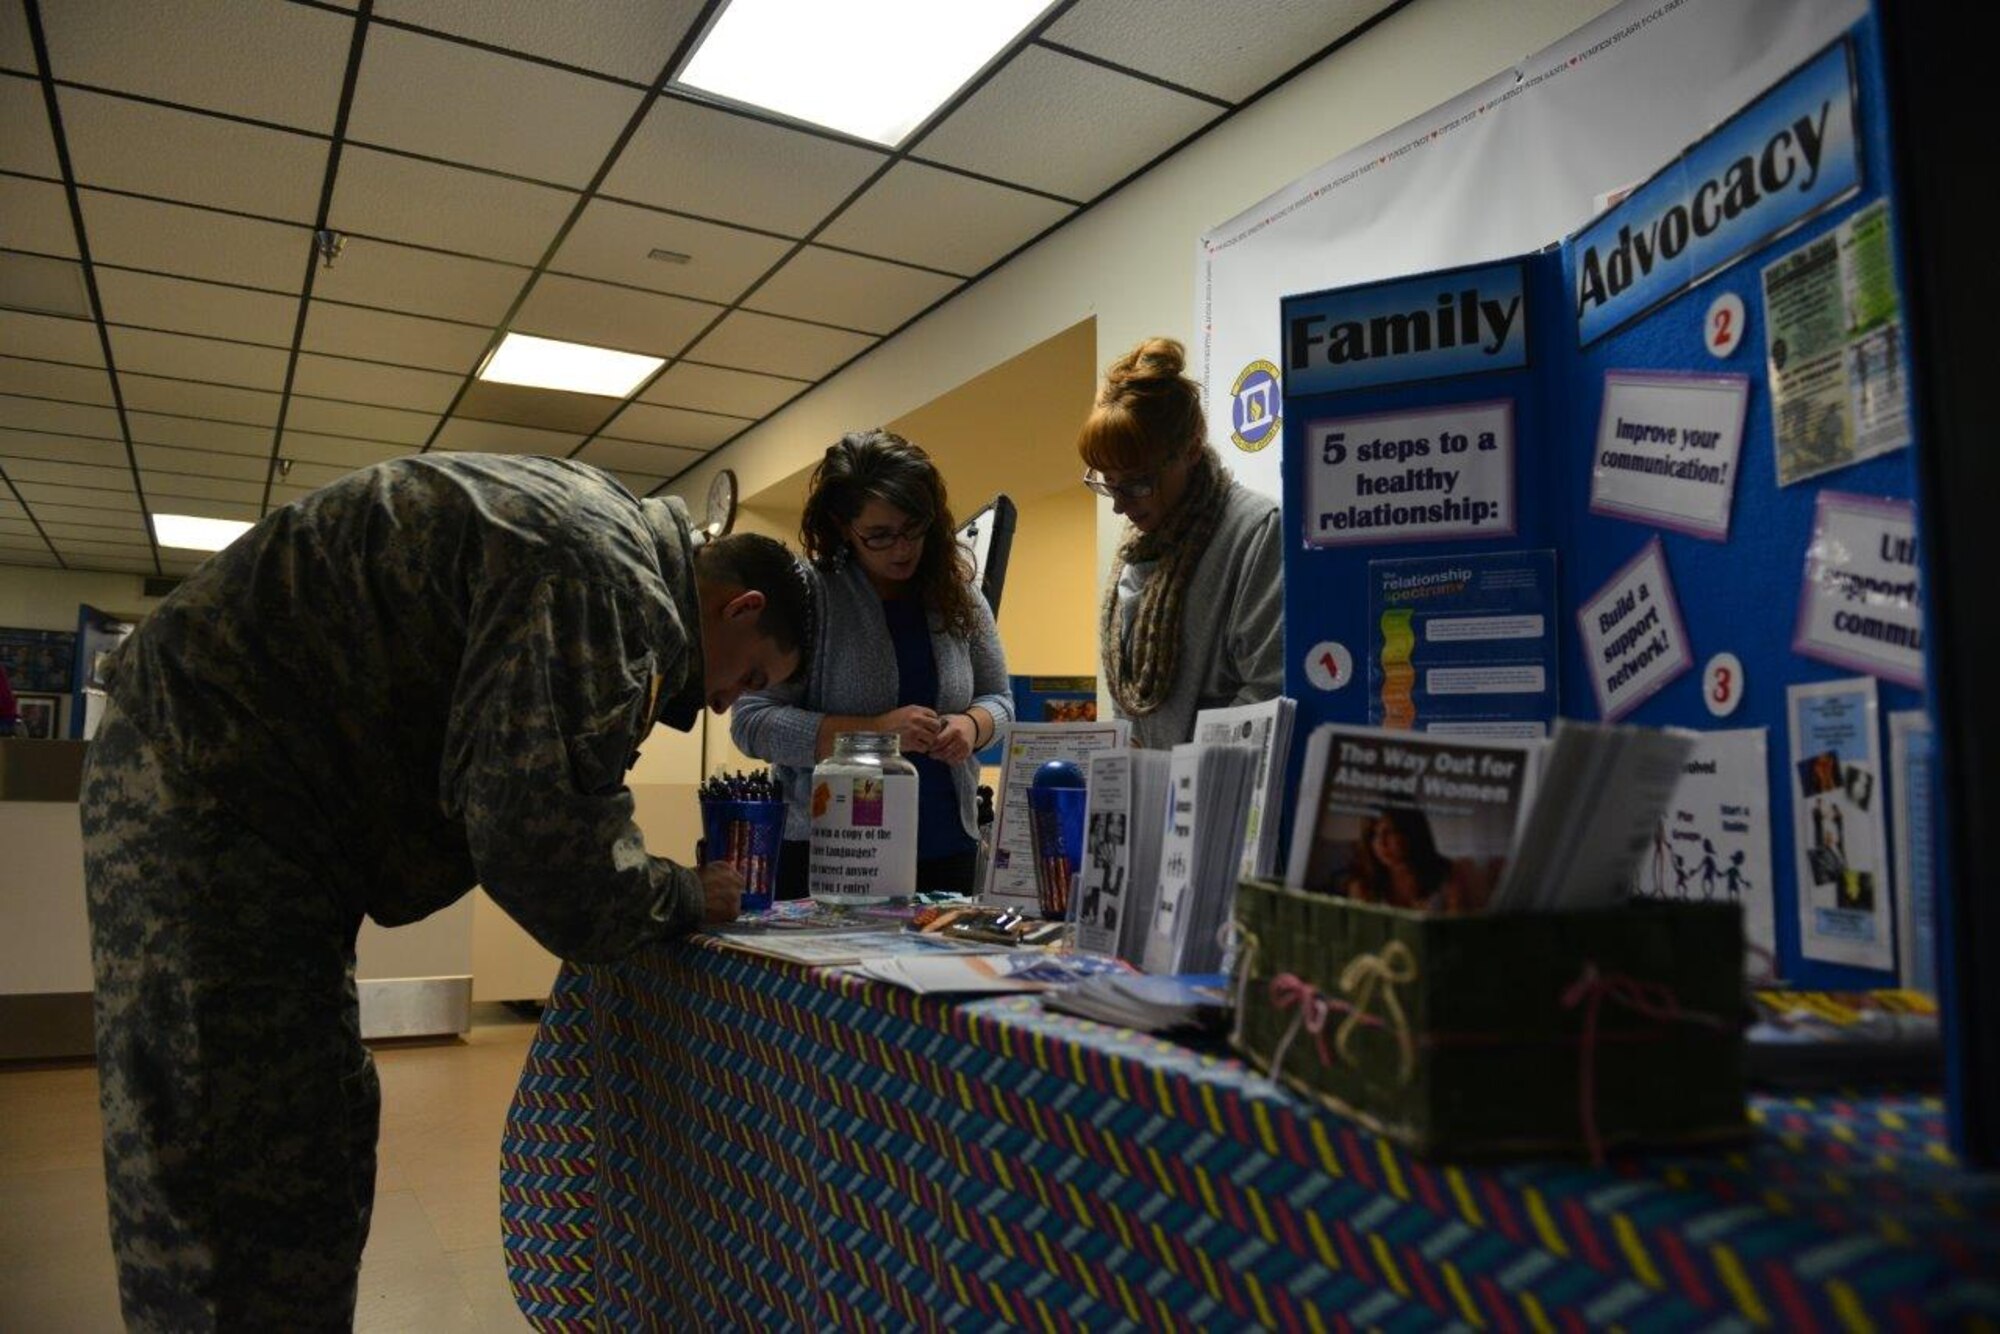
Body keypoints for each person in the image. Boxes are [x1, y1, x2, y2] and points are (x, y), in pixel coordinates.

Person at [79, 452, 812, 1330]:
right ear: (742, 607)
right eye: (754, 675)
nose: (731, 703)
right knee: (241, 1152)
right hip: (215, 785)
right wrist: (687, 895)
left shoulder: (600, 532)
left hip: (234, 787)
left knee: (301, 1121)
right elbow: (545, 850)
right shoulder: (605, 578)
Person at [733, 429, 1014, 896]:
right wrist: (873, 735)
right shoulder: (810, 597)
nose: (903, 549)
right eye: (879, 536)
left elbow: (1000, 700)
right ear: (844, 526)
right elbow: (752, 722)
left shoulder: (958, 595)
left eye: (914, 528)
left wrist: (972, 725)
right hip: (833, 856)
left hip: (949, 847)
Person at [1078, 337, 1282, 748]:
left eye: (1136, 483)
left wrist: (1178, 770)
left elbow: (1270, 688)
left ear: (1190, 450)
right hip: (1151, 795)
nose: (1119, 507)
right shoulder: (1139, 545)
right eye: (1107, 483)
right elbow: (1133, 694)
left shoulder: (1256, 530)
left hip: (1222, 794)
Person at [1339, 807, 1490, 913]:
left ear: (1410, 833)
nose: (1381, 843)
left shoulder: (1447, 875)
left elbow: (1455, 932)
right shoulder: (1364, 885)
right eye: (1374, 835)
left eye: (1390, 832)